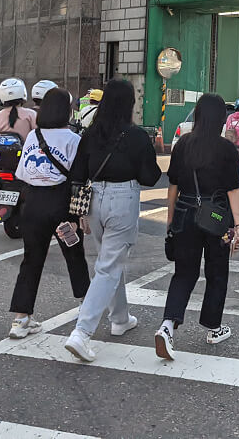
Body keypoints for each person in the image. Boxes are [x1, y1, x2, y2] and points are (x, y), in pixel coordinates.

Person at [63, 79, 162, 362]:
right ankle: (81, 332)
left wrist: (77, 213)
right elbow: (150, 176)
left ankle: (120, 319)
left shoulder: (92, 133)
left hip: (94, 200)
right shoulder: (136, 136)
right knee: (108, 267)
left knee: (109, 260)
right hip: (123, 199)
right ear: (129, 104)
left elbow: (78, 172)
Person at [155, 94, 239, 361]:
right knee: (217, 272)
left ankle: (167, 326)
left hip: (185, 212)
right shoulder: (227, 149)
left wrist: (171, 221)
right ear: (220, 119)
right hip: (216, 217)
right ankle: (213, 327)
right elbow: (234, 189)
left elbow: (172, 186)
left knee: (183, 273)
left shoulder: (183, 144)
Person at [8, 87, 89, 338]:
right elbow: (79, 180)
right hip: (61, 207)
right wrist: (77, 216)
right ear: (67, 110)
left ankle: (21, 319)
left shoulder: (34, 136)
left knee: (31, 260)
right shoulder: (74, 140)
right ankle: (87, 311)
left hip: (32, 206)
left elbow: (22, 173)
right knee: (74, 256)